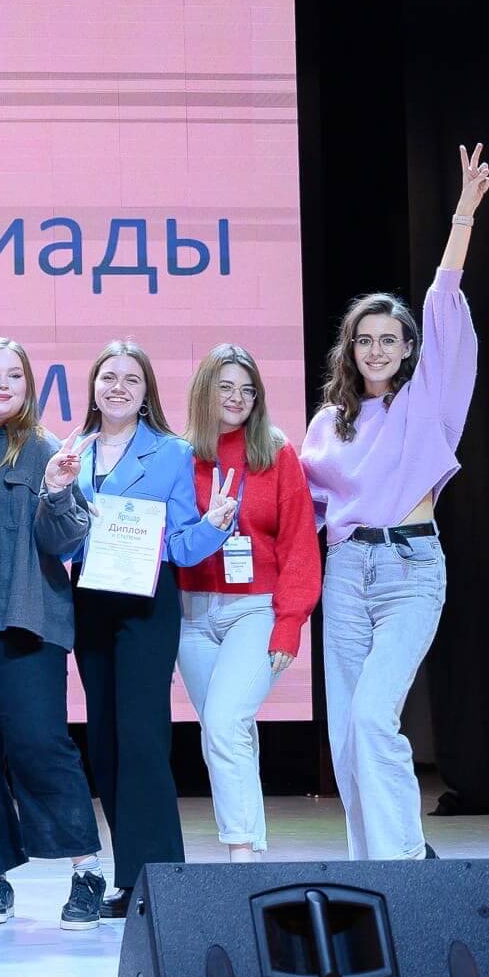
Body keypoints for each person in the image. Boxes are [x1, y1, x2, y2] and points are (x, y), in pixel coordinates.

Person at [302, 143, 489, 861]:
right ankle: (373, 868)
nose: (377, 350)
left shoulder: (428, 404)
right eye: (365, 340)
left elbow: (443, 305)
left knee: (374, 717)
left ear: (410, 349)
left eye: (390, 340)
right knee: (346, 734)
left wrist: (462, 216)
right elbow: (300, 510)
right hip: (347, 574)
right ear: (350, 350)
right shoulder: (329, 424)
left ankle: (407, 861)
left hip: (410, 569)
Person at [70, 341, 236, 918]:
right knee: (104, 741)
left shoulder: (171, 452)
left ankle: (161, 878)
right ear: (93, 387)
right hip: (89, 601)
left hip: (146, 603)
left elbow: (184, 545)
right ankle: (129, 877)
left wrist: (214, 525)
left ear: (146, 394)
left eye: (131, 379)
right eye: (108, 377)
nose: (118, 387)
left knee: (141, 738)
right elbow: (62, 537)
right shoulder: (72, 452)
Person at [0, 337, 109, 930]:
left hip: (27, 617)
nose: (2, 384)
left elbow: (63, 542)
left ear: (29, 385)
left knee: (40, 745)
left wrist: (60, 490)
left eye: (14, 375)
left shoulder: (45, 449)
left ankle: (86, 870)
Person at [175, 344, 321, 861]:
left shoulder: (276, 453)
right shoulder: (180, 455)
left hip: (255, 610)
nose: (237, 398)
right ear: (205, 392)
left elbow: (299, 544)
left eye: (247, 390)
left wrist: (290, 622)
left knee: (224, 723)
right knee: (227, 731)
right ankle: (253, 849)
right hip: (192, 614)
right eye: (226, 387)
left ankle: (239, 857)